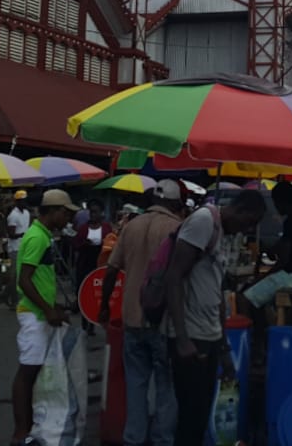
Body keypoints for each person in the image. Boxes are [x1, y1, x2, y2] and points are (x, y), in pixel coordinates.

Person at [165, 188, 267, 446]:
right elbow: (174, 277)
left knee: (199, 418)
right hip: (191, 335)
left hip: (209, 336)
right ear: (240, 209)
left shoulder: (220, 232)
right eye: (249, 222)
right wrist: (182, 338)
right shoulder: (203, 221)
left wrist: (224, 351)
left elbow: (217, 294)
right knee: (190, 418)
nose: (246, 229)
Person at [100, 179, 184, 446]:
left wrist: (104, 305)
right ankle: (162, 440)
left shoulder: (131, 226)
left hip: (132, 318)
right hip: (163, 320)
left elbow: (112, 269)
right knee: (165, 387)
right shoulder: (177, 228)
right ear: (174, 203)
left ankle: (133, 438)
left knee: (135, 384)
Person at [11, 188, 78, 446]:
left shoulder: (44, 235)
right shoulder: (37, 237)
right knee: (27, 372)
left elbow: (41, 279)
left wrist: (56, 306)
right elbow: (24, 280)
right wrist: (48, 310)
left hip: (41, 311)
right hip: (34, 315)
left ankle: (29, 428)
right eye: (65, 213)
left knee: (34, 371)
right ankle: (20, 432)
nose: (68, 219)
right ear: (53, 212)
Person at [240, 180, 292, 314]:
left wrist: (263, 278)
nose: (276, 207)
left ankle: (252, 333)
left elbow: (283, 261)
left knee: (243, 299)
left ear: (284, 202)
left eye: (276, 203)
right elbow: (284, 245)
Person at [75, 200, 112, 335]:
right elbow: (76, 244)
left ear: (101, 213)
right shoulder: (84, 228)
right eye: (91, 212)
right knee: (85, 293)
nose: (93, 215)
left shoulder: (107, 227)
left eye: (95, 212)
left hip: (100, 264)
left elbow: (112, 243)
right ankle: (86, 324)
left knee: (100, 294)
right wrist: (85, 243)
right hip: (85, 264)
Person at [7, 190, 32, 262]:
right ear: (17, 202)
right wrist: (23, 235)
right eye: (22, 201)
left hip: (25, 247)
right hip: (15, 248)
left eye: (25, 200)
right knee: (16, 271)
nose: (25, 202)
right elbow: (11, 235)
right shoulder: (13, 215)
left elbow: (27, 227)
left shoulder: (27, 213)